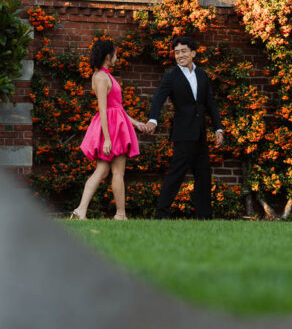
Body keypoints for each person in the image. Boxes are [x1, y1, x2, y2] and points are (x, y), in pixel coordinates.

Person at [146, 36, 223, 220]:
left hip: (201, 134)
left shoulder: (202, 75)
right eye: (176, 52)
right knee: (175, 175)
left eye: (183, 51)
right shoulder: (171, 76)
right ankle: (161, 215)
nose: (179, 55)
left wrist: (218, 128)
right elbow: (158, 98)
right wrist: (153, 120)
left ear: (193, 53)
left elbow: (210, 103)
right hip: (183, 133)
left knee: (203, 175)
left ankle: (204, 217)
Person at [72, 39, 150, 220]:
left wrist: (136, 123)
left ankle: (80, 210)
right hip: (111, 129)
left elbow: (118, 108)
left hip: (115, 125)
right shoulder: (101, 77)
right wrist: (107, 139)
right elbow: (103, 108)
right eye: (115, 54)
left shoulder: (106, 76)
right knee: (116, 172)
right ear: (108, 56)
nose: (117, 57)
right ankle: (120, 214)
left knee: (103, 170)